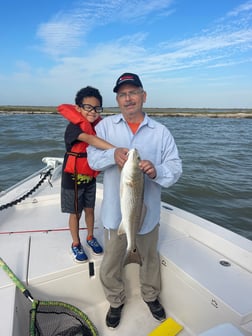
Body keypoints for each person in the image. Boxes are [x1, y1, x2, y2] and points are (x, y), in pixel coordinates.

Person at [87, 73, 182, 328]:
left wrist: (157, 171)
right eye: (122, 94)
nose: (128, 98)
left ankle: (151, 296)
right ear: (117, 99)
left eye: (133, 92)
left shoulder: (161, 132)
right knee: (110, 263)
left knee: (149, 260)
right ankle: (115, 301)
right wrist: (112, 154)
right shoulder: (104, 127)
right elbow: (91, 160)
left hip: (148, 217)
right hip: (113, 216)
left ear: (143, 96)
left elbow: (175, 168)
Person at [58, 86, 114, 263]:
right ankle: (76, 243)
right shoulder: (73, 129)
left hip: (90, 177)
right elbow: (91, 139)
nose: (93, 112)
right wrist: (117, 150)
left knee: (90, 210)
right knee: (75, 213)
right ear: (78, 108)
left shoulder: (98, 126)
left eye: (97, 108)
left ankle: (90, 237)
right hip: (72, 178)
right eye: (88, 107)